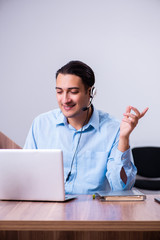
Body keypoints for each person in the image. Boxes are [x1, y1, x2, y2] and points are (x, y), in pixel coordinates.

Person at [24, 60, 148, 194]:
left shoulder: (113, 129)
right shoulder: (41, 124)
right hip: (50, 209)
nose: (65, 99)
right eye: (60, 92)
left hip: (94, 210)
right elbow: (25, 175)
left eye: (73, 92)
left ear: (90, 92)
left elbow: (121, 188)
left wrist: (124, 138)